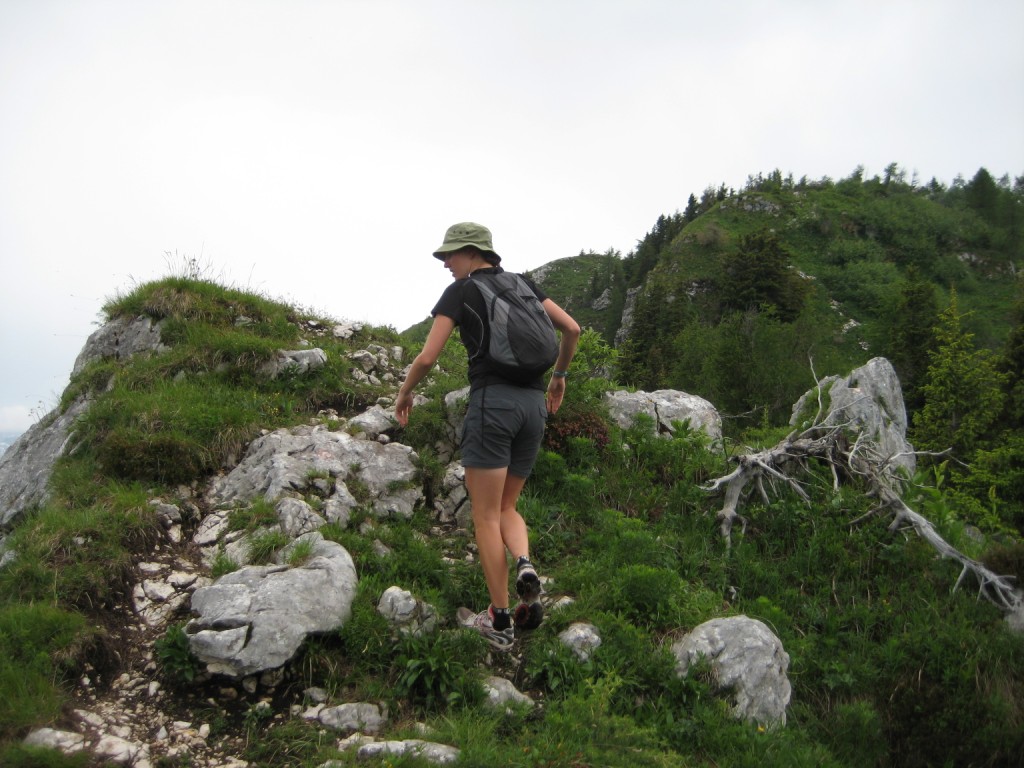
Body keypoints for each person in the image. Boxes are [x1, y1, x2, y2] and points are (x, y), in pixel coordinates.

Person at [394, 222, 580, 649]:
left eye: (449, 255)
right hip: (534, 408)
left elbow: (427, 356)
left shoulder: (461, 292)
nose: (445, 263)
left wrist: (405, 393)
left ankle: (498, 621)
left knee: (485, 516)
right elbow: (572, 330)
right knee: (508, 505)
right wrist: (560, 378)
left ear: (472, 253)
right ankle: (525, 564)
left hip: (492, 404)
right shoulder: (524, 284)